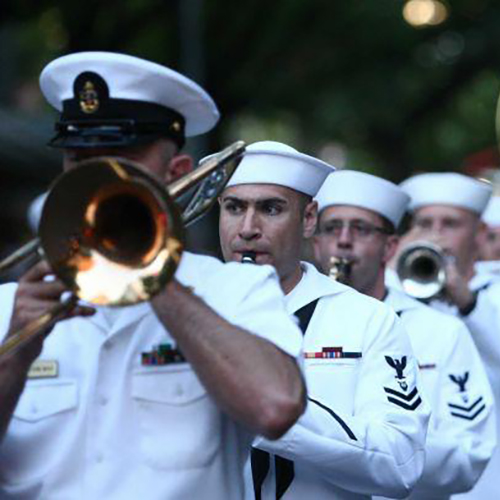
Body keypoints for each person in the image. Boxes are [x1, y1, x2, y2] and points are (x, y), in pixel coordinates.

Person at [0, 52, 307, 500]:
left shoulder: (235, 291)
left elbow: (275, 406)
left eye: (121, 159)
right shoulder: (11, 305)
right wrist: (14, 357)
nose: (98, 178)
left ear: (177, 174)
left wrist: (154, 275)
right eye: (79, 159)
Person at [218, 141, 430, 500]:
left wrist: (273, 414)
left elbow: (400, 463)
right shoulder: (184, 314)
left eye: (271, 209)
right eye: (234, 208)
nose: (248, 228)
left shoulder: (367, 318)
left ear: (309, 219)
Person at [313, 170, 496, 500]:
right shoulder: (293, 318)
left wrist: (384, 450)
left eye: (361, 229)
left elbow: (468, 454)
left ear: (389, 247)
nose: (343, 241)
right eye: (331, 228)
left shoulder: (442, 327)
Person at [395, 172, 500, 499]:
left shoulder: (493, 290)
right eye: (425, 224)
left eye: (450, 224)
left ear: (480, 233)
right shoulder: (395, 289)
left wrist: (466, 299)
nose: (436, 235)